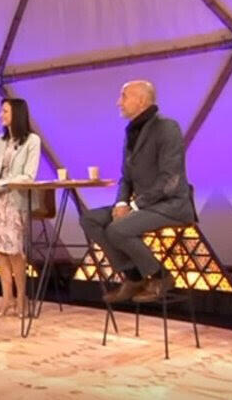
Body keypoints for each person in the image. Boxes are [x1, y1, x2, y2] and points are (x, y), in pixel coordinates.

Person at [79, 80, 194, 303]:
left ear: (141, 100)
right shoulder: (131, 132)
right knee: (90, 220)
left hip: (170, 205)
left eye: (123, 96)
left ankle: (161, 277)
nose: (118, 102)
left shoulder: (167, 127)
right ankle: (134, 277)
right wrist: (121, 203)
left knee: (117, 229)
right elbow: (126, 177)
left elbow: (170, 180)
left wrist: (134, 205)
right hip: (141, 205)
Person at [0, 98, 41, 318]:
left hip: (16, 201)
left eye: (5, 111)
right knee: (2, 252)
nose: (1, 115)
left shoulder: (32, 141)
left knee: (15, 251)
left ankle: (22, 299)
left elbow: (28, 176)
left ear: (17, 113)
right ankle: (7, 299)